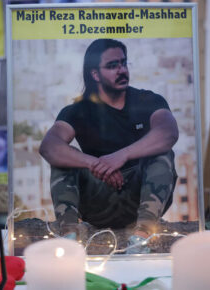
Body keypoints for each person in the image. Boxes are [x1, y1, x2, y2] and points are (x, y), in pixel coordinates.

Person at [39, 39, 178, 251]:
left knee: (163, 154)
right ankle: (69, 237)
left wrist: (121, 156)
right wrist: (95, 164)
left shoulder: (148, 100)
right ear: (95, 74)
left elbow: (168, 133)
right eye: (113, 66)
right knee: (63, 159)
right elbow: (49, 146)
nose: (121, 70)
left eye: (123, 63)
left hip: (139, 199)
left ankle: (141, 238)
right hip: (97, 201)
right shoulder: (77, 110)